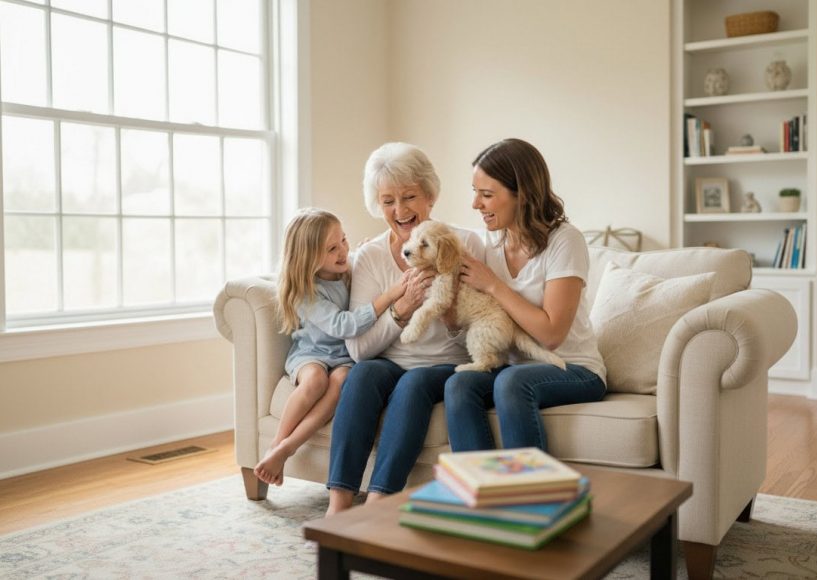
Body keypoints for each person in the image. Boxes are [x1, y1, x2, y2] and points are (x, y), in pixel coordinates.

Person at [326, 142, 484, 515]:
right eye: (387, 201)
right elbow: (359, 349)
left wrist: (446, 314)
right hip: (388, 361)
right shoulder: (371, 256)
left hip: (445, 364)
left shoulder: (465, 244)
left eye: (410, 196)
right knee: (362, 374)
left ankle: (378, 504)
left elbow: (482, 327)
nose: (400, 211)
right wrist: (402, 309)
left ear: (430, 196)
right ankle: (338, 505)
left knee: (414, 383)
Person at [445, 138, 607, 452]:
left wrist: (494, 285)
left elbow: (551, 334)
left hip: (573, 368)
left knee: (511, 382)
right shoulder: (488, 243)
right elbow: (436, 237)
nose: (476, 204)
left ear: (522, 195)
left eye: (487, 195)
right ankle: (480, 492)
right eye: (475, 192)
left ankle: (530, 497)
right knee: (459, 384)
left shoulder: (565, 241)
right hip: (515, 367)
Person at [254, 208, 405, 486]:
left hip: (345, 357)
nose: (342, 251)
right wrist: (389, 297)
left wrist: (362, 252)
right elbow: (342, 325)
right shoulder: (305, 291)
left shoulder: (348, 270)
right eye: (332, 248)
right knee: (314, 382)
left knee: (341, 381)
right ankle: (276, 445)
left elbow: (364, 260)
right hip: (311, 354)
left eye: (344, 241)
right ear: (308, 258)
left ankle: (288, 448)